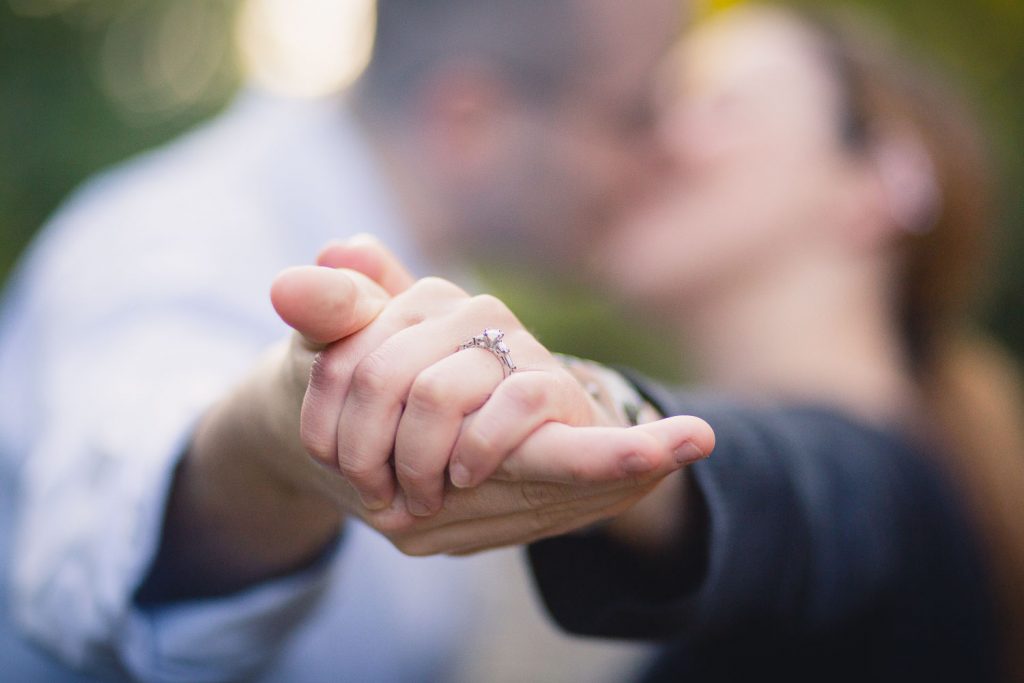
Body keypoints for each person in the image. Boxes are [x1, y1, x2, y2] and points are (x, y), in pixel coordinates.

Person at [0, 1, 689, 680]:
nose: (669, 150)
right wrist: (266, 444)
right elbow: (100, 517)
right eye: (637, 112)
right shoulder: (182, 239)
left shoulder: (433, 269)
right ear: (466, 122)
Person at [526, 4, 1023, 681]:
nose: (655, 139)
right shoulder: (925, 477)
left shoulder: (884, 491)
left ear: (882, 183)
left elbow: (801, 490)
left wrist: (596, 413)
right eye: (657, 105)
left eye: (719, 104)